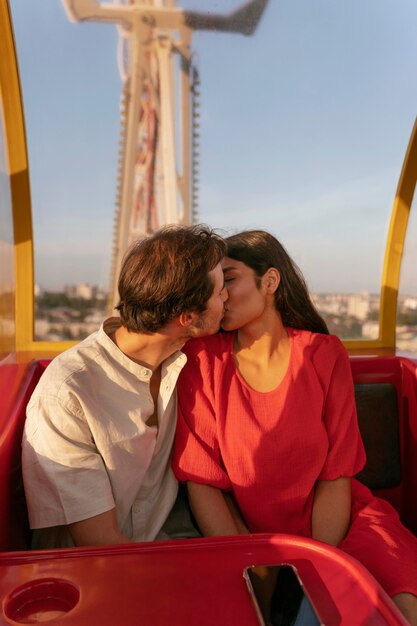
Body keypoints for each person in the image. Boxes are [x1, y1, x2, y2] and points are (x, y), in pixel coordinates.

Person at [172, 230, 417, 625]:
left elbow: (336, 474)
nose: (216, 296)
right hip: (252, 539)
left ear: (269, 282)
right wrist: (254, 558)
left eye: (228, 279)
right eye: (212, 285)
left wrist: (318, 560)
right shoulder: (203, 361)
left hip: (345, 523)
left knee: (399, 610)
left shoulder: (323, 354)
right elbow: (203, 483)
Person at [22, 224, 227, 549]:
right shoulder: (69, 394)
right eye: (219, 292)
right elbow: (97, 541)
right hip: (89, 570)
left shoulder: (185, 359)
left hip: (162, 543)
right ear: (187, 318)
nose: (226, 297)